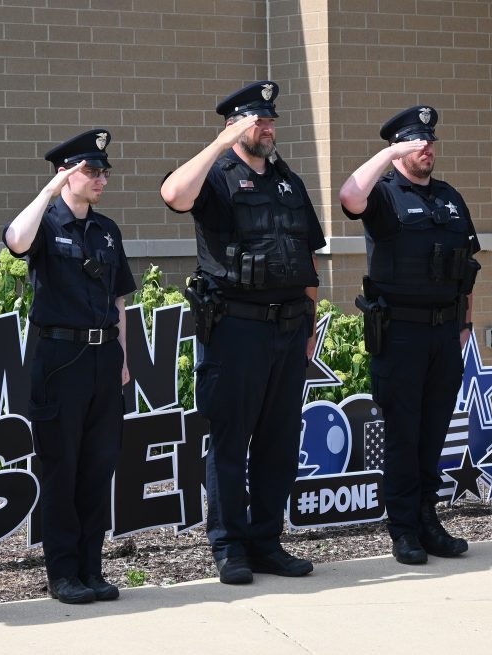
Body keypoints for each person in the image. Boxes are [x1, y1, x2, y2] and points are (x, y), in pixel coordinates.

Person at [159, 80, 324, 585]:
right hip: (236, 329)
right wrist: (217, 143)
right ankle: (229, 545)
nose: (268, 129)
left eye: (271, 121)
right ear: (235, 126)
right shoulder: (216, 176)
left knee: (277, 442)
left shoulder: (288, 180)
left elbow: (307, 258)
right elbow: (173, 195)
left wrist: (310, 326)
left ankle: (266, 541)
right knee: (231, 442)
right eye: (258, 121)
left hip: (289, 330)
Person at [339, 106, 480, 565]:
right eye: (416, 142)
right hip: (400, 333)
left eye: (430, 142)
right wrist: (388, 155)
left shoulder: (450, 197)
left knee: (434, 431)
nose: (426, 149)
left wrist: (465, 326)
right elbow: (349, 196)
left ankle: (428, 520)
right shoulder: (383, 195)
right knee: (402, 434)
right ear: (397, 148)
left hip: (444, 335)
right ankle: (403, 529)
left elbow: (468, 269)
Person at [4, 129, 136, 603]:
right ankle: (62, 573)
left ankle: (91, 568)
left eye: (104, 171)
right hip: (60, 359)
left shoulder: (106, 230)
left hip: (103, 358)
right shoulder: (45, 223)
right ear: (66, 174)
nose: (101, 178)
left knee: (98, 468)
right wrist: (47, 191)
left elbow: (118, 296)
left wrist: (122, 356)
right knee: (61, 469)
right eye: (91, 170)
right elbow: (16, 242)